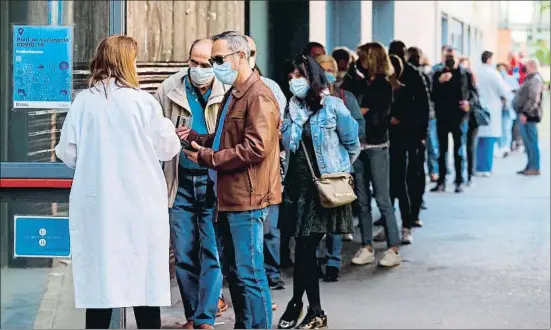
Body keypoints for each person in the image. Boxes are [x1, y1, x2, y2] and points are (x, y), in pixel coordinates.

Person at [55, 35, 181, 329]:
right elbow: (167, 149)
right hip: (140, 205)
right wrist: (170, 131)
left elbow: (67, 153)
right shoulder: (143, 102)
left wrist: (94, 163)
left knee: (100, 287)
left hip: (98, 205)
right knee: (144, 286)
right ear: (128, 63)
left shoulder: (83, 102)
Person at [181, 31, 281, 329]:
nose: (214, 65)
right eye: (212, 59)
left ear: (241, 57)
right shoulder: (234, 93)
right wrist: (199, 139)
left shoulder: (258, 95)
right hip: (228, 197)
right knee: (236, 272)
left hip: (247, 198)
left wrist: (208, 158)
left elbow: (256, 148)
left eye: (219, 59)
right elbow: (227, 137)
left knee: (250, 272)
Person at [278, 54, 360, 329]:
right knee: (302, 250)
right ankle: (302, 306)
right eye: (290, 77)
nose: (293, 82)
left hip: (322, 190)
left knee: (304, 249)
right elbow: (285, 146)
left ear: (312, 78)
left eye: (298, 76)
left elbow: (353, 143)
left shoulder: (333, 107)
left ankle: (311, 309)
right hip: (296, 186)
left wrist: (339, 171)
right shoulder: (289, 110)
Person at [153, 38, 225, 329]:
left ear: (215, 64)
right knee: (183, 253)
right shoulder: (168, 89)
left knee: (210, 251)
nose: (197, 68)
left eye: (204, 64)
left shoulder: (227, 90)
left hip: (211, 180)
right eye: (193, 62)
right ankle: (192, 316)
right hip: (179, 181)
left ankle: (205, 317)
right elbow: (153, 130)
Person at [350, 42, 402, 267]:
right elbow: (354, 107)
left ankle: (393, 248)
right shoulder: (362, 83)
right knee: (361, 200)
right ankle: (367, 246)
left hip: (376, 147)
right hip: (358, 147)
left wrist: (362, 111)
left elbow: (372, 116)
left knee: (382, 198)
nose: (358, 61)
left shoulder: (383, 85)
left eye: (362, 57)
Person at [314, 54, 365, 282]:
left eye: (329, 69)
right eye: (321, 68)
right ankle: (315, 260)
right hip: (314, 168)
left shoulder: (346, 98)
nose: (326, 73)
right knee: (314, 219)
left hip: (337, 169)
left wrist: (345, 162)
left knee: (335, 217)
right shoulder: (307, 99)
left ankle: (333, 261)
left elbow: (357, 132)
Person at [246, 35, 287, 291]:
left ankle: (271, 274)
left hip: (269, 168)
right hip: (240, 172)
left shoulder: (270, 88)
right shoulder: (228, 91)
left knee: (269, 227)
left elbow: (281, 127)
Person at [384, 41, 430, 244]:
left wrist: (420, 132)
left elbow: (423, 106)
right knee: (395, 180)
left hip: (409, 135)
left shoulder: (412, 75)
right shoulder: (386, 77)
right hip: (394, 137)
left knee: (408, 178)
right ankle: (396, 222)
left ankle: (409, 220)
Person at [430, 46, 470, 193]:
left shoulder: (464, 74)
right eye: (447, 57)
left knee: (459, 150)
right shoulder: (437, 74)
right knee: (442, 150)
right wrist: (439, 82)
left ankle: (459, 180)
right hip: (442, 117)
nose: (450, 59)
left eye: (452, 56)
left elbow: (473, 93)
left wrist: (469, 103)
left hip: (459, 117)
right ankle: (441, 181)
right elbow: (431, 95)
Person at [405, 46, 432, 229]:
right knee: (414, 172)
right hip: (416, 134)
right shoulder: (419, 75)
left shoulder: (418, 76)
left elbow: (425, 106)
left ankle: (413, 212)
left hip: (413, 133)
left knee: (413, 172)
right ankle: (413, 211)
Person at [475, 51, 511, 177]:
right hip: (492, 107)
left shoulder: (477, 71)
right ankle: (486, 167)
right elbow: (503, 89)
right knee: (489, 138)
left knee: (479, 138)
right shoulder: (493, 73)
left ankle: (478, 166)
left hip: (479, 107)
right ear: (489, 59)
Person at [513, 59, 544, 176]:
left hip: (529, 116)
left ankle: (535, 167)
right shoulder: (530, 78)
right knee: (527, 142)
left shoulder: (535, 79)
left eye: (526, 66)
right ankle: (530, 165)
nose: (524, 68)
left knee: (532, 142)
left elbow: (533, 99)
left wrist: (525, 113)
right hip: (525, 115)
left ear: (531, 66)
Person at [458, 57, 480, 186]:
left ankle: (470, 174)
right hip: (459, 118)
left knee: (470, 147)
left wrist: (469, 103)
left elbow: (475, 96)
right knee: (460, 147)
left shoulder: (471, 79)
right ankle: (460, 176)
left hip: (471, 118)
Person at [496, 62, 520, 158]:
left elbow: (515, 92)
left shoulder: (511, 79)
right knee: (499, 129)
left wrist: (507, 98)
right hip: (498, 109)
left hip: (508, 108)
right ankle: (500, 147)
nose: (501, 71)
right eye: (499, 69)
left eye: (503, 69)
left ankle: (506, 148)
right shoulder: (496, 79)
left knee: (506, 129)